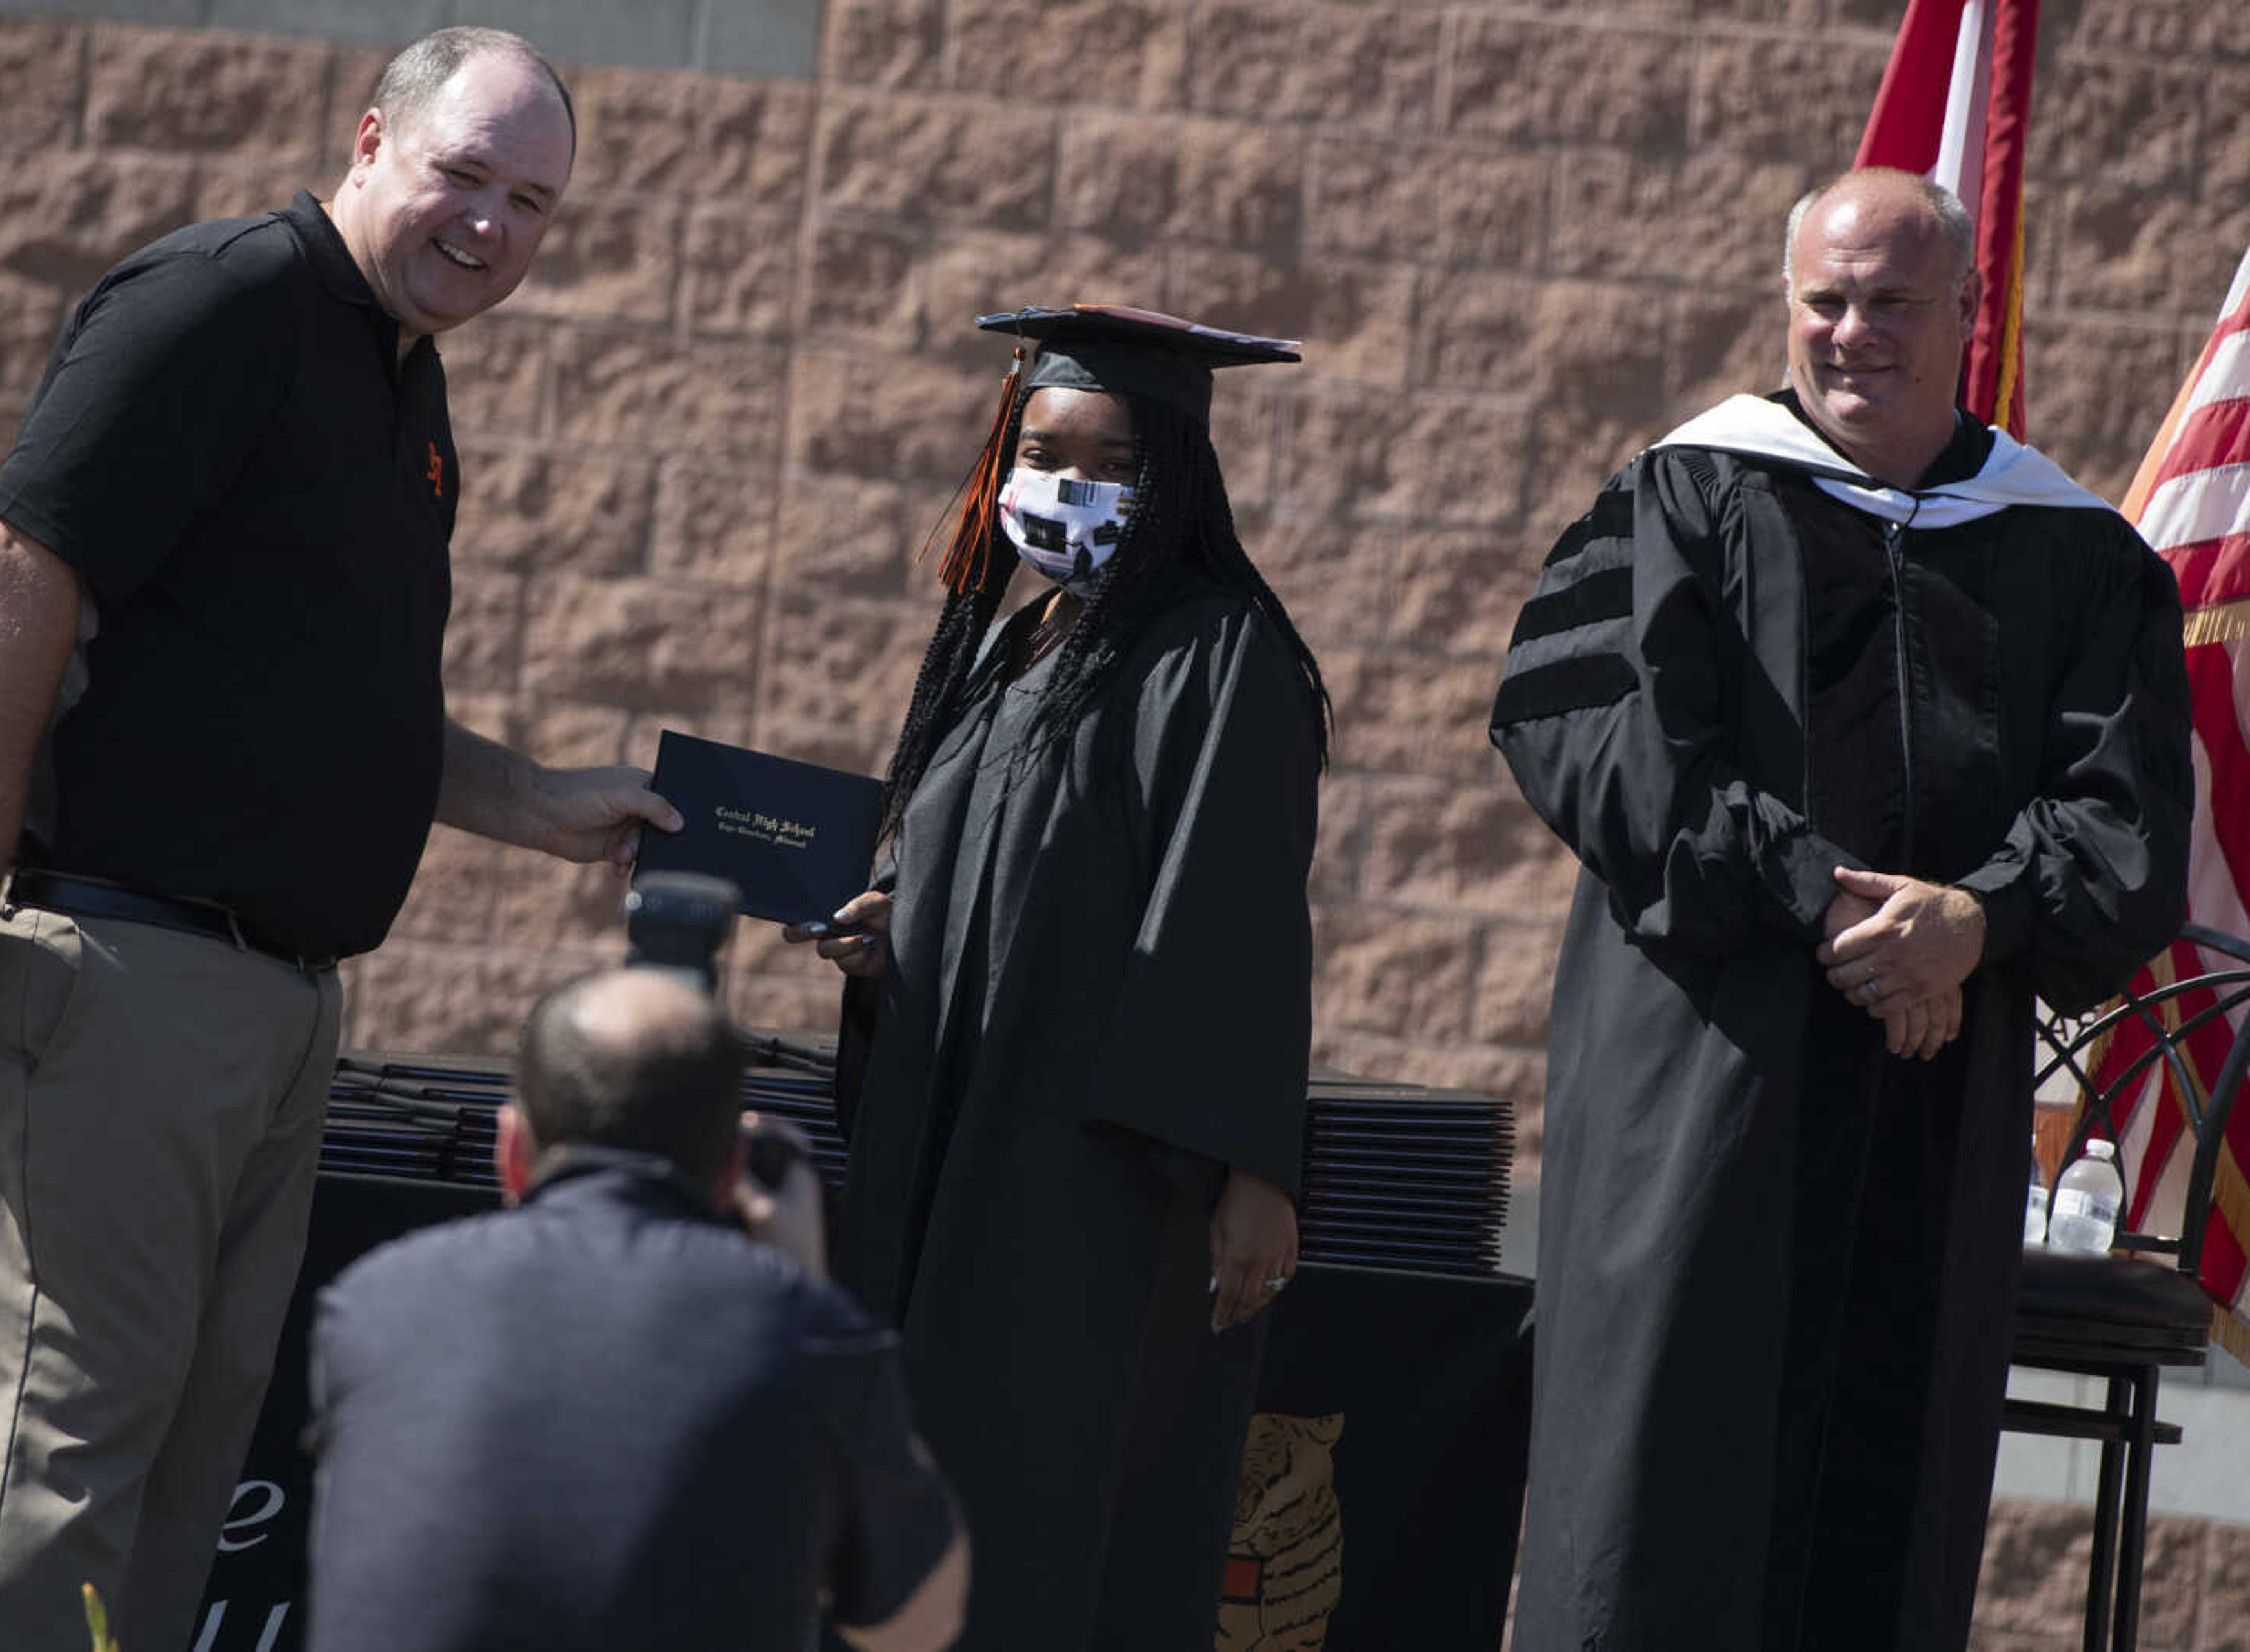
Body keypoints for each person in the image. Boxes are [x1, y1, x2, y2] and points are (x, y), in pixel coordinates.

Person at [0, 29, 683, 1652]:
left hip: (275, 1007)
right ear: (371, 140)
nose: (491, 225)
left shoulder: (399, 380)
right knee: (61, 1478)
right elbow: (15, 556)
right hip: (112, 980)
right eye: (462, 175)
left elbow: (322, 696)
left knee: (172, 1490)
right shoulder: (222, 299)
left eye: (531, 201)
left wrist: (532, 799)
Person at [1489, 168, 2192, 1650]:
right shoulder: (1682, 494)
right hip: (1699, 1102)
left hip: (1928, 1127)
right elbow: (1586, 736)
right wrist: (1823, 899)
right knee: (1655, 1506)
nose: (1851, 328)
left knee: (1879, 1532)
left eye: (1888, 300)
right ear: (1785, 305)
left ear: (1963, 315)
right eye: (1824, 298)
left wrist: (1976, 921)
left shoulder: (2070, 551)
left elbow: (2124, 820)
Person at [785, 304, 1331, 1650]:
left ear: (1174, 481)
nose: (1061, 485)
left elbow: (1242, 921)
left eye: (1106, 460)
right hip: (944, 1147)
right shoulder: (1007, 642)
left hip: (1090, 1184)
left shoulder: (1220, 653)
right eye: (1040, 449)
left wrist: (1256, 1168)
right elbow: (980, 882)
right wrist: (884, 947)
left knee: (1039, 1511)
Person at [303, 969, 969, 1652]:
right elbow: (916, 1624)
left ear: (510, 1152)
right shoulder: (802, 1329)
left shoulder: (372, 1296)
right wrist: (802, 1282)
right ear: (733, 1169)